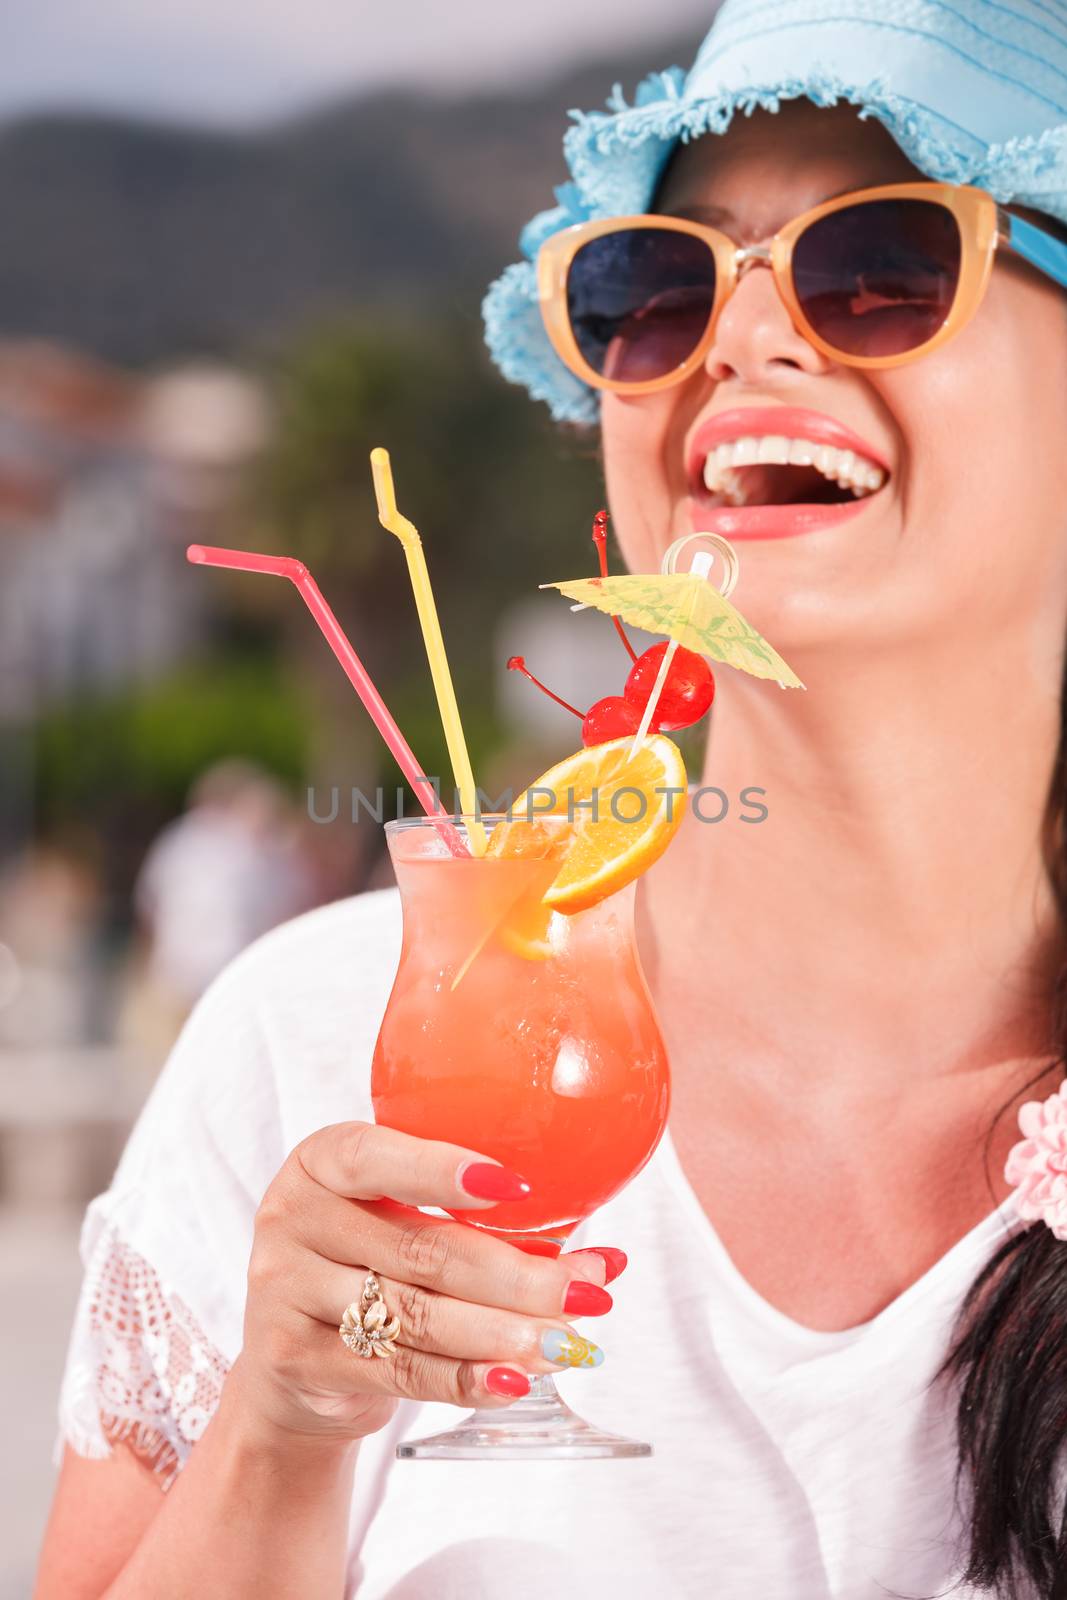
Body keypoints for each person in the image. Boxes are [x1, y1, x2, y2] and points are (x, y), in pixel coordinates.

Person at [33, 3, 1067, 1596]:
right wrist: (282, 1430)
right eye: (656, 292)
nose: (736, 340)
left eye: (879, 270)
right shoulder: (319, 1053)